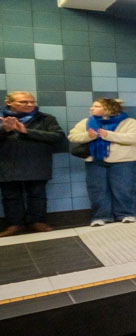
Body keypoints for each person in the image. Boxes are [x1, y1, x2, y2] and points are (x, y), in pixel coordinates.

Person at [1, 91, 66, 235]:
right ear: (9, 103)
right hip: (7, 164)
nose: (30, 104)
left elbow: (58, 137)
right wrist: (3, 130)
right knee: (10, 196)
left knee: (37, 195)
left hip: (36, 163)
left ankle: (38, 222)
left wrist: (27, 131)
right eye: (23, 102)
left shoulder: (45, 119)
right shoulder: (1, 119)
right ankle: (14, 224)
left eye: (32, 101)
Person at [69, 97, 136, 225]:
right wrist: (88, 136)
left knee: (124, 188)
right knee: (97, 190)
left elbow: (134, 138)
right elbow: (72, 136)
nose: (92, 108)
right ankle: (101, 216)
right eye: (93, 106)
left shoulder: (128, 122)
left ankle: (127, 214)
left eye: (97, 106)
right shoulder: (86, 122)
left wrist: (108, 135)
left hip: (123, 160)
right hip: (95, 160)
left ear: (109, 108)